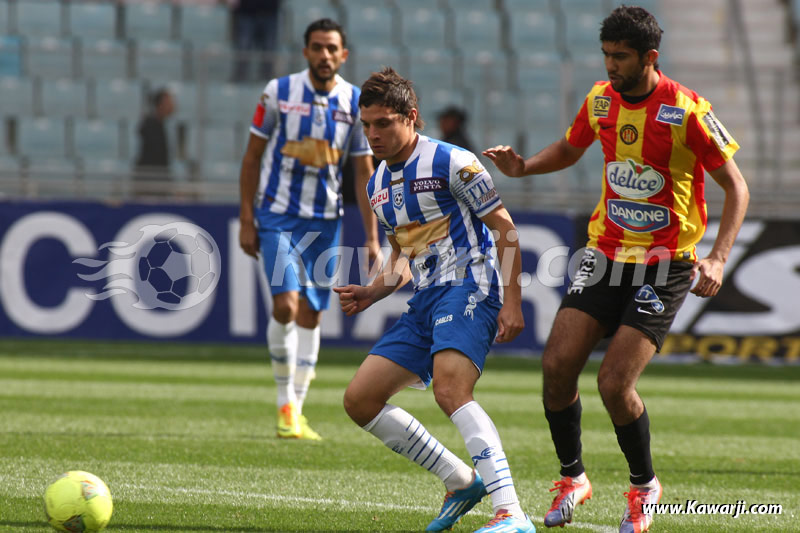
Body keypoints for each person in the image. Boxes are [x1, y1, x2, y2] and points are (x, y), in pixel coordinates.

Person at [484, 6, 749, 532]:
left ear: (650, 57)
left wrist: (718, 256)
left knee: (613, 383)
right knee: (557, 365)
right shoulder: (600, 99)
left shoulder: (689, 110)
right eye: (606, 54)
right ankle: (573, 477)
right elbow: (570, 147)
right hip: (604, 253)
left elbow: (736, 187)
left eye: (620, 57)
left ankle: (644, 487)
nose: (610, 65)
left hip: (664, 265)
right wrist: (524, 167)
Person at [335, 67, 535, 533]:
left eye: (383, 123)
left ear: (412, 117)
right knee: (360, 400)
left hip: (471, 284)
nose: (373, 134)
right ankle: (460, 480)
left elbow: (503, 228)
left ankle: (511, 513)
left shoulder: (453, 161)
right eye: (366, 125)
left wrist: (513, 302)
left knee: (450, 389)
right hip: (426, 299)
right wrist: (371, 292)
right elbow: (403, 255)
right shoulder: (376, 185)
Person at [239, 18, 379, 441]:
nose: (324, 55)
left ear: (343, 55)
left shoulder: (355, 101)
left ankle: (297, 409)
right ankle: (285, 403)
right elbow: (251, 159)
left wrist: (372, 236)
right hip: (277, 216)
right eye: (317, 47)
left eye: (331, 48)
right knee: (286, 304)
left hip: (325, 222)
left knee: (312, 313)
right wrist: (247, 217)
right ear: (306, 52)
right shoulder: (278, 92)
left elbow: (363, 172)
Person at [133, 87, 175, 197]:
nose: (173, 105)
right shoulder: (150, 125)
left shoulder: (160, 124)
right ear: (160, 104)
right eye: (169, 102)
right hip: (150, 183)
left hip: (157, 182)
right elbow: (154, 157)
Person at [230, 0, 281, 82]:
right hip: (246, 12)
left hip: (270, 12)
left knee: (269, 48)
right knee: (244, 46)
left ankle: (267, 77)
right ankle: (240, 77)